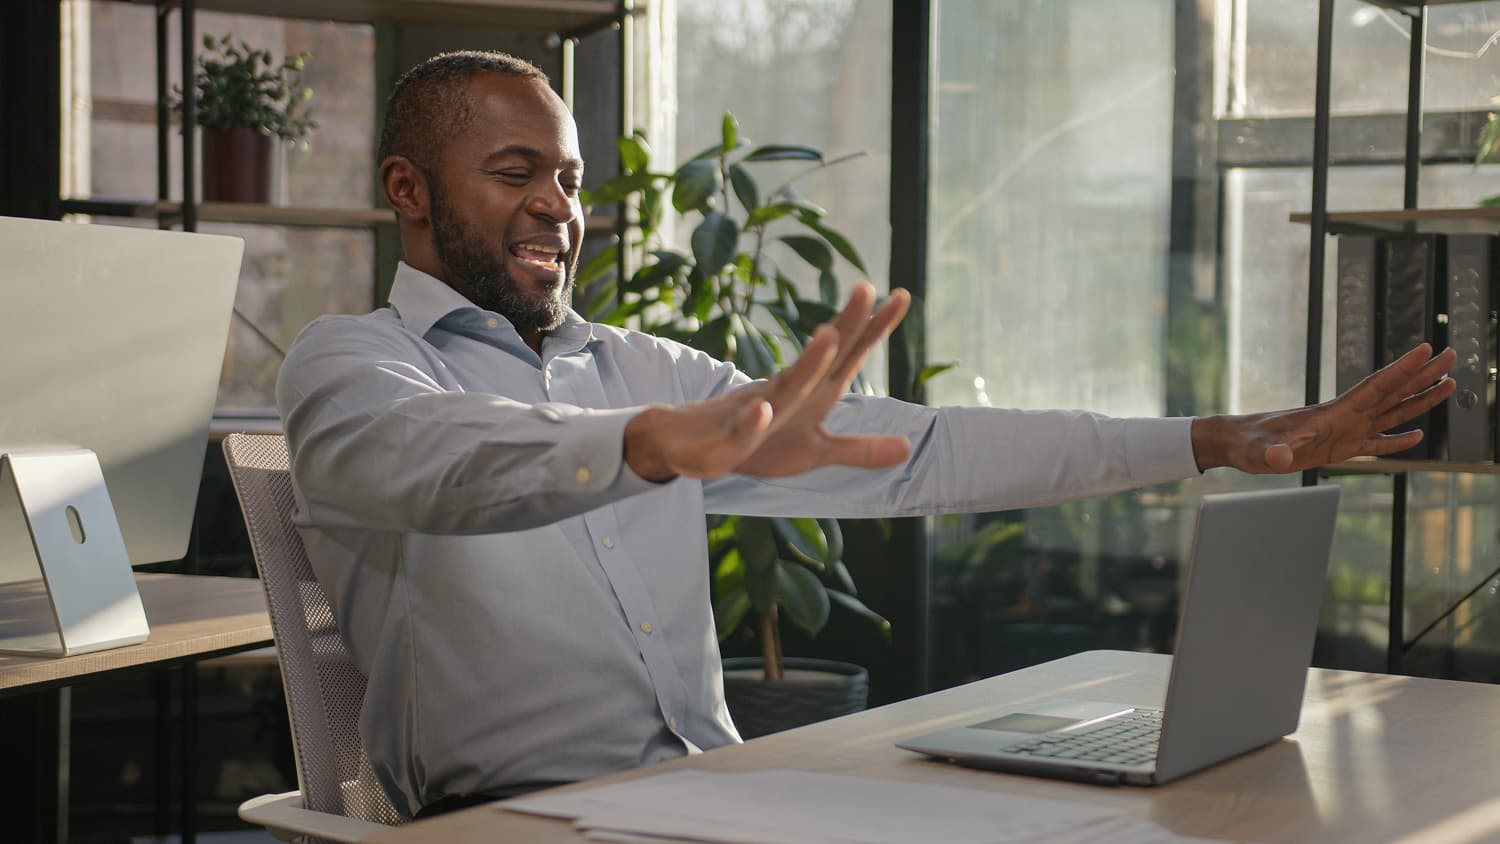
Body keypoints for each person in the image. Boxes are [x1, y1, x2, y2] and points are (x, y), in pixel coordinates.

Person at [275, 50, 1455, 819]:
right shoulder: (356, 362)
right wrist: (652, 445)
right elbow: (437, 462)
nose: (559, 207)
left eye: (574, 180)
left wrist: (1209, 439)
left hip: (706, 792)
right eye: (515, 172)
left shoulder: (644, 366)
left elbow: (924, 450)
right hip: (508, 820)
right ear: (410, 188)